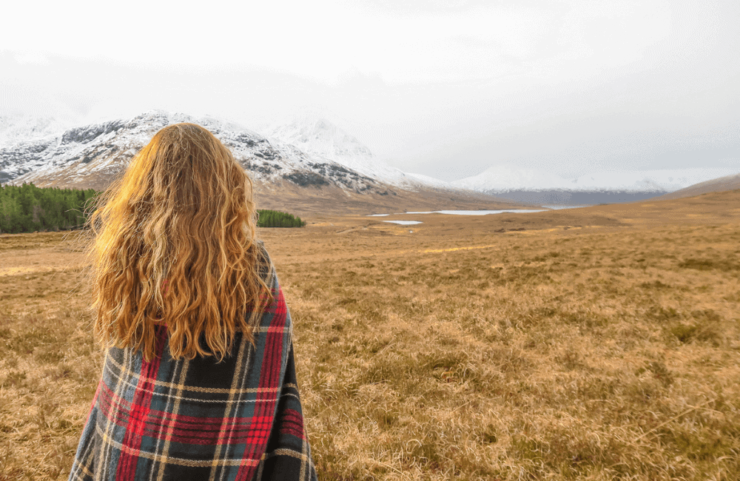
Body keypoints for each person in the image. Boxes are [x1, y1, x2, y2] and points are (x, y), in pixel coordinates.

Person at [68, 123, 317, 481]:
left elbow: (119, 379)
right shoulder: (250, 267)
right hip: (219, 460)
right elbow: (273, 373)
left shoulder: (126, 257)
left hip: (126, 450)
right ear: (223, 189)